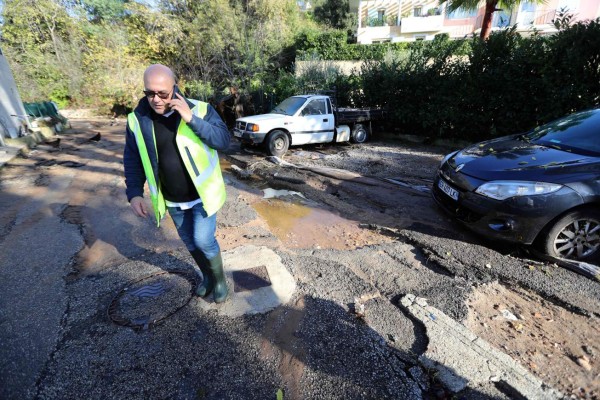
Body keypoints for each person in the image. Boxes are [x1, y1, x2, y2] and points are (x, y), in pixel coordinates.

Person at [123, 64, 231, 303]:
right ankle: (207, 277)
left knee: (203, 239)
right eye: (149, 93)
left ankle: (220, 279)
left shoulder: (200, 110)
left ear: (174, 88)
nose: (156, 99)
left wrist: (191, 119)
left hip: (203, 195)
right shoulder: (137, 120)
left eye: (162, 93)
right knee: (190, 241)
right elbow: (132, 159)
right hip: (171, 199)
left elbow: (224, 141)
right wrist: (134, 193)